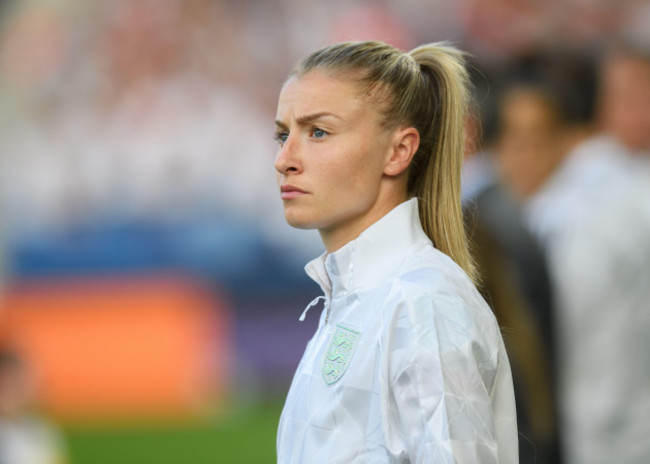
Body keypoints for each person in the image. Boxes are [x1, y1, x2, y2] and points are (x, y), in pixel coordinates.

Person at [273, 40, 518, 463]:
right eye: (283, 134)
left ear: (398, 151)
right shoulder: (358, 296)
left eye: (318, 132)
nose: (285, 159)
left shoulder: (424, 303)